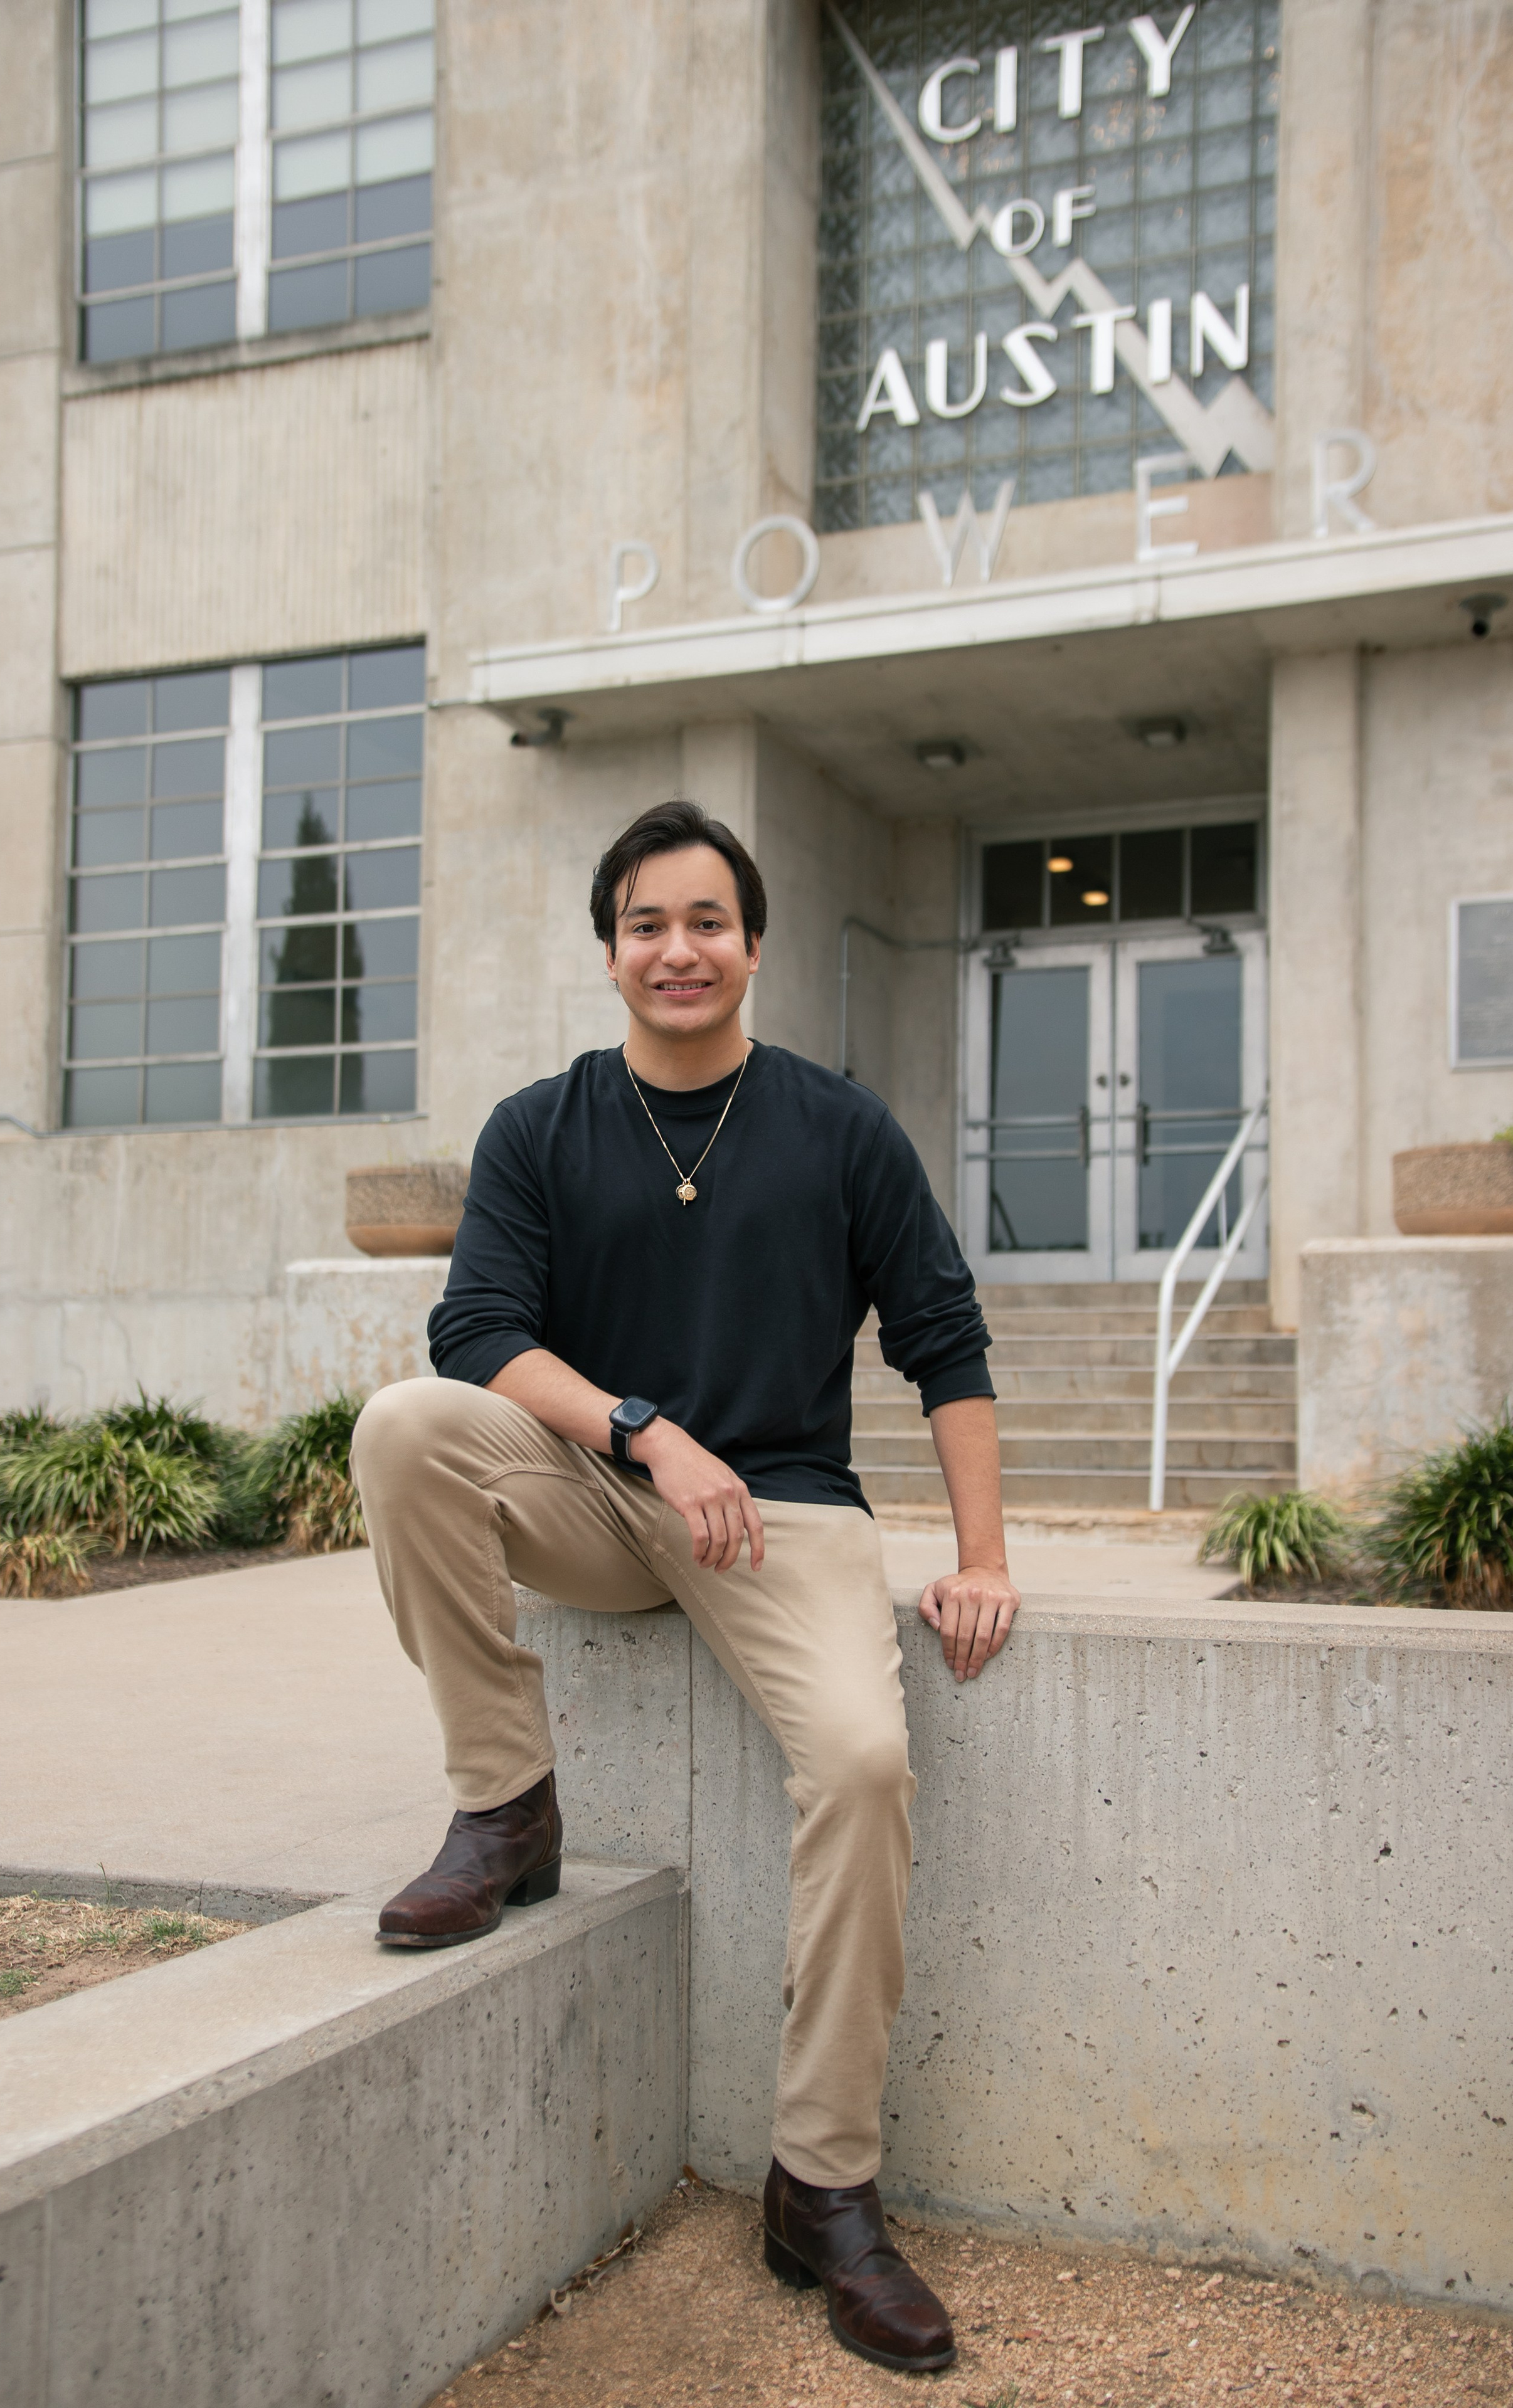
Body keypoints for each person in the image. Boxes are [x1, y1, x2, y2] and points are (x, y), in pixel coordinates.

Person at [351, 798, 1021, 2375]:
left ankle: (821, 2187)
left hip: (785, 1515)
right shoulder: (542, 1125)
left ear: (752, 946)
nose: (677, 949)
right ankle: (506, 1807)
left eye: (706, 921)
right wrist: (646, 1433)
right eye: (646, 923)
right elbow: (477, 1336)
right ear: (608, 952)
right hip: (607, 1487)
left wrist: (982, 1555)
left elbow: (944, 1338)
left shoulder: (837, 1127)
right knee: (404, 1429)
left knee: (861, 1765)